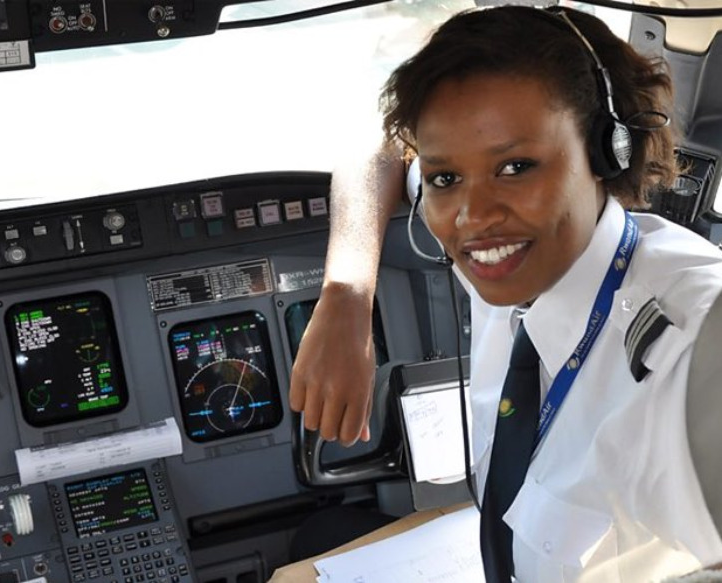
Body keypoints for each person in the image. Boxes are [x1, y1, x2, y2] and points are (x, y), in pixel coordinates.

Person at [288, 5, 722, 582]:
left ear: (605, 151)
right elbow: (385, 146)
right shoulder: (517, 256)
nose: (472, 217)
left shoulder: (695, 344)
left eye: (516, 167)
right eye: (445, 178)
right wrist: (346, 294)